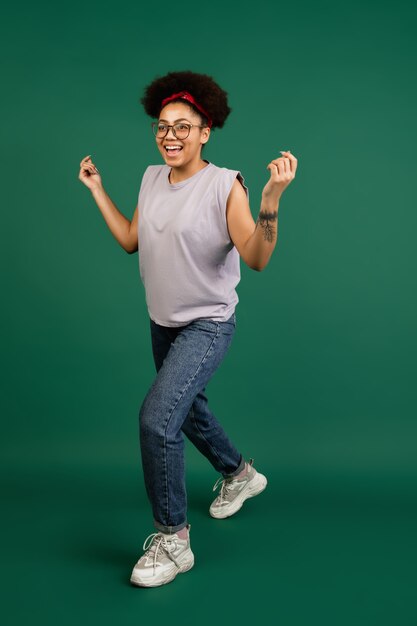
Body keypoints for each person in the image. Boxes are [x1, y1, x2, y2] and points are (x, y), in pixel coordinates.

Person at [78, 70, 298, 588]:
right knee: (189, 409)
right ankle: (240, 476)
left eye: (183, 126)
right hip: (164, 324)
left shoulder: (225, 184)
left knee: (158, 420)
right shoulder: (152, 177)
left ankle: (173, 541)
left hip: (207, 324)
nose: (170, 135)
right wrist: (97, 190)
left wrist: (272, 197)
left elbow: (258, 256)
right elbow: (132, 238)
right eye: (162, 126)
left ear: (205, 131)